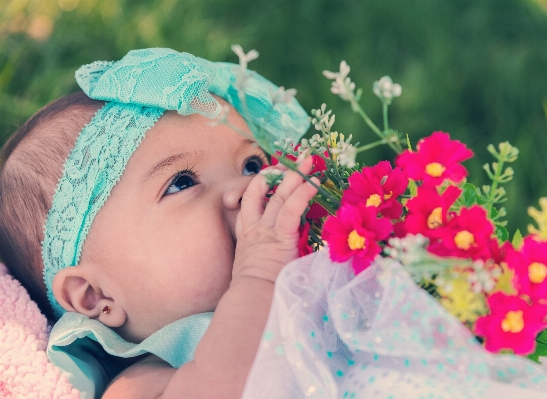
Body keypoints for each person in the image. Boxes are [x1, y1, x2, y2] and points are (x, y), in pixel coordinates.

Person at [0, 47, 320, 398]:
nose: (245, 188)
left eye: (252, 165)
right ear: (96, 296)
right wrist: (258, 276)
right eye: (181, 183)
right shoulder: (144, 381)